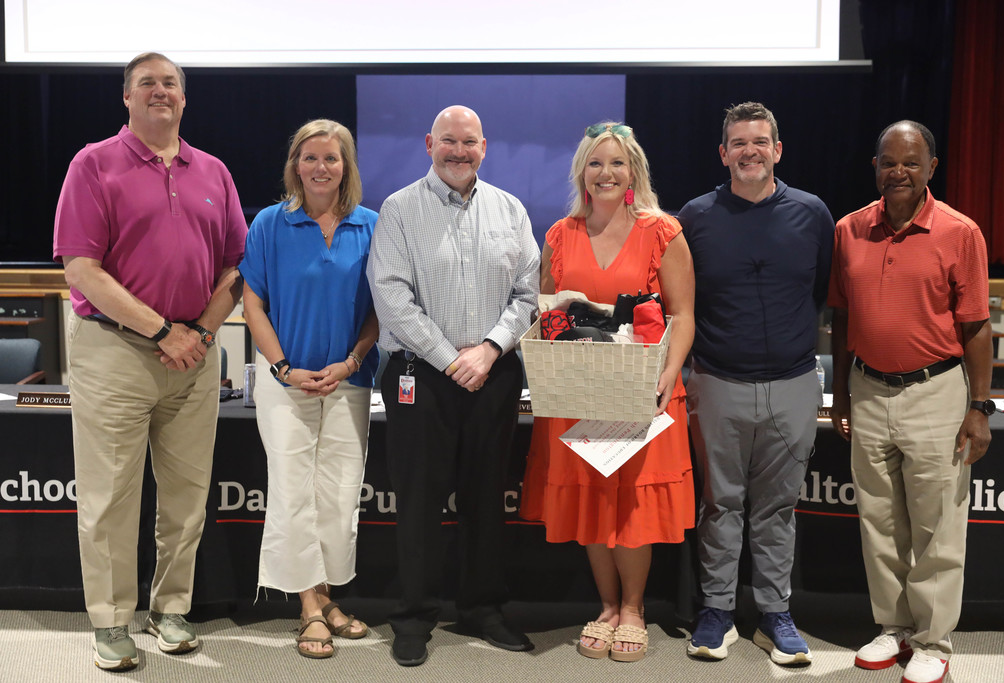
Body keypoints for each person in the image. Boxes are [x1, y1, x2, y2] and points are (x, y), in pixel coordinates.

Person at [52, 52, 247, 671]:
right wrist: (164, 329)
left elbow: (235, 267)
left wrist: (199, 331)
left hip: (193, 354)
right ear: (127, 99)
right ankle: (112, 622)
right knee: (110, 496)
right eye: (146, 84)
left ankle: (171, 609)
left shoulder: (212, 171)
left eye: (170, 84)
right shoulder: (93, 164)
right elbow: (82, 269)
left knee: (186, 495)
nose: (159, 92)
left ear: (183, 99)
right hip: (116, 351)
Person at [367, 105, 540, 667]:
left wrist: (488, 350)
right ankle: (414, 616)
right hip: (421, 373)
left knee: (486, 498)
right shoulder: (397, 210)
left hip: (493, 372)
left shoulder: (510, 209)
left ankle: (482, 610)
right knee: (418, 500)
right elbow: (392, 296)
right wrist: (450, 359)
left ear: (484, 147)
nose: (459, 151)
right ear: (428, 144)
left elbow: (527, 295)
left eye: (469, 143)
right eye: (449, 141)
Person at [520, 122, 696, 663]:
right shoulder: (557, 234)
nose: (606, 173)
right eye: (595, 164)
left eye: (617, 163)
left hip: (645, 391)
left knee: (632, 504)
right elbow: (546, 313)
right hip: (577, 393)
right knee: (593, 500)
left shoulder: (663, 231)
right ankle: (606, 606)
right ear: (582, 173)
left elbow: (684, 314)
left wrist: (668, 373)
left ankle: (635, 609)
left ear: (634, 171)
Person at [828, 120, 991, 683]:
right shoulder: (849, 230)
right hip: (868, 390)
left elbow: (975, 327)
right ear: (874, 166)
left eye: (910, 162)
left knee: (937, 525)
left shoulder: (960, 232)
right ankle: (893, 628)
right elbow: (841, 318)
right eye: (888, 161)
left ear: (931, 169)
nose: (898, 171)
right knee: (879, 519)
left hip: (937, 392)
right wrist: (843, 392)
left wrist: (980, 407)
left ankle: (934, 641)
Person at [678, 101, 834, 666]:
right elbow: (681, 303)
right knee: (721, 504)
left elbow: (818, 290)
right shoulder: (693, 217)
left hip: (793, 383)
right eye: (739, 143)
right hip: (717, 381)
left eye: (760, 141)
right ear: (723, 153)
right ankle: (716, 612)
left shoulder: (813, 213)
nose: (750, 151)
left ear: (778, 149)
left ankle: (775, 614)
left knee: (777, 507)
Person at [239, 119, 379, 659]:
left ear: (347, 167)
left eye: (332, 158)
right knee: (294, 491)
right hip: (286, 384)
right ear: (295, 164)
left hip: (349, 380)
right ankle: (309, 608)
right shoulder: (271, 224)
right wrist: (282, 369)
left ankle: (326, 595)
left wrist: (350, 362)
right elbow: (253, 303)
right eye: (310, 157)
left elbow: (377, 312)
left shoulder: (370, 225)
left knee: (340, 495)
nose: (321, 167)